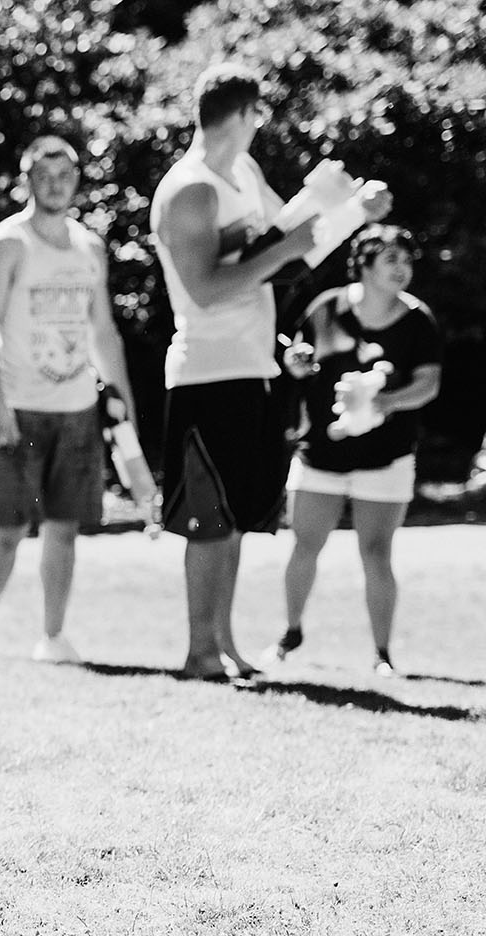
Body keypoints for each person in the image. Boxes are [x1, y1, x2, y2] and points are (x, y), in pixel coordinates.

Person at [149, 62, 390, 681]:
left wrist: (345, 210)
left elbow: (289, 252)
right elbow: (206, 289)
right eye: (259, 116)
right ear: (244, 114)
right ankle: (199, 651)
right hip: (206, 372)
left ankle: (224, 645)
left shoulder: (245, 174)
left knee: (232, 518)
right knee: (207, 521)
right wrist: (295, 237)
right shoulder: (191, 188)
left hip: (253, 367)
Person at [0, 134, 140, 663]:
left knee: (65, 529)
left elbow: (104, 331)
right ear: (27, 180)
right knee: (9, 528)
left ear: (77, 182)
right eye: (44, 175)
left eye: (65, 176)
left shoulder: (90, 247)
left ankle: (53, 637)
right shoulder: (6, 244)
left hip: (78, 410)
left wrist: (121, 400)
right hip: (20, 406)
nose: (56, 185)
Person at [265, 226, 441, 676]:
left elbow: (428, 384)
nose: (402, 269)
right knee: (304, 545)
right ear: (363, 265)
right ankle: (290, 633)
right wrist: (296, 362)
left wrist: (389, 401)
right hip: (320, 453)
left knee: (377, 553)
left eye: (406, 260)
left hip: (387, 457)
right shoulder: (326, 308)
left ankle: (382, 654)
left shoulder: (418, 319)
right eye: (391, 260)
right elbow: (299, 358)